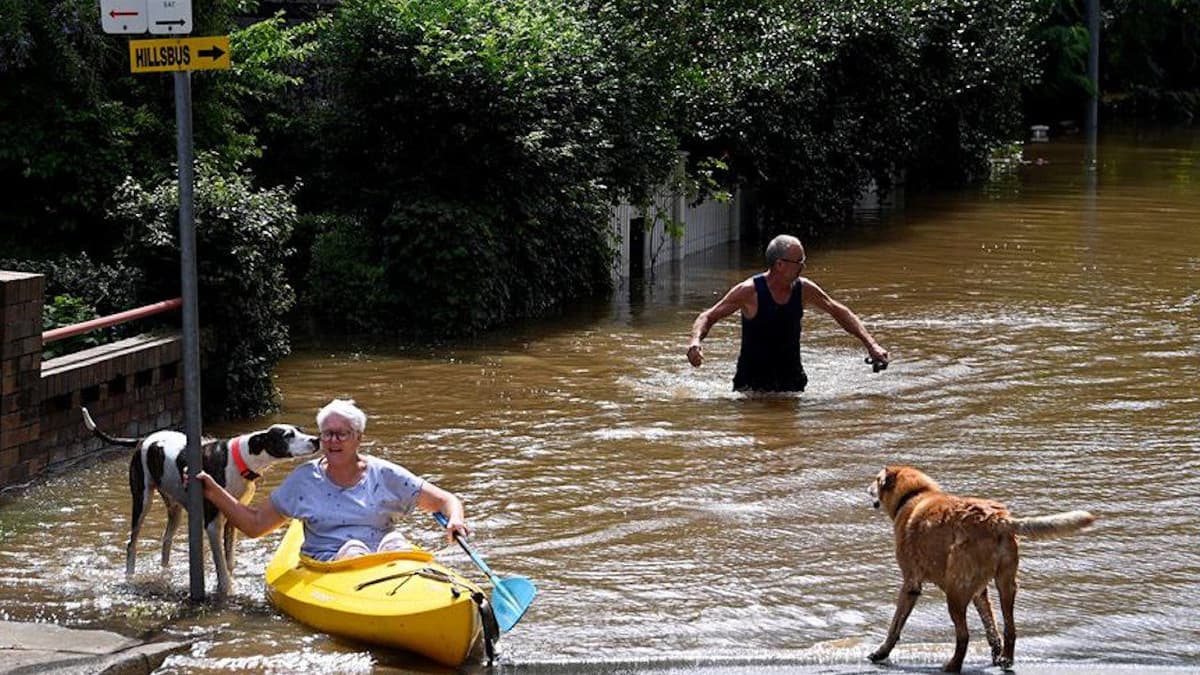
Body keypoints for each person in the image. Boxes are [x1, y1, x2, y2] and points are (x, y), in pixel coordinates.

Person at [192, 398, 469, 561]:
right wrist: (214, 492)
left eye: (342, 434)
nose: (332, 441)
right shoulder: (304, 480)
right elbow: (254, 525)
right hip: (333, 566)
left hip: (386, 563)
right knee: (352, 549)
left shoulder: (385, 474)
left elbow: (445, 501)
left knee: (395, 544)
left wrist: (455, 519)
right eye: (327, 434)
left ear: (358, 437)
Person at [686, 234, 888, 392]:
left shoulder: (803, 289)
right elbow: (708, 316)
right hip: (752, 384)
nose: (803, 266)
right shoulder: (750, 291)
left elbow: (838, 311)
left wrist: (871, 344)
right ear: (779, 264)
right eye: (798, 262)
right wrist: (695, 342)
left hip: (791, 381)